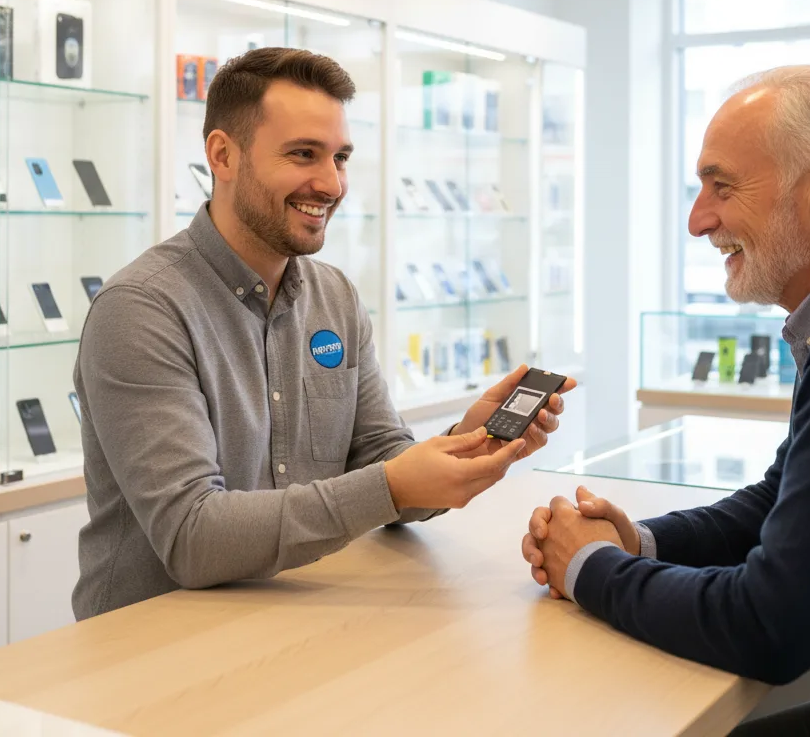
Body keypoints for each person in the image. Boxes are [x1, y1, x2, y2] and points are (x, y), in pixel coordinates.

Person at [521, 66, 810, 736]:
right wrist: (643, 541)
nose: (697, 220)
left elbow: (771, 627)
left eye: (722, 186)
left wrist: (591, 567)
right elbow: (781, 497)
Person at [73, 46, 571, 620]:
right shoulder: (140, 311)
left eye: (341, 158)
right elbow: (193, 537)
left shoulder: (335, 296)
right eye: (304, 154)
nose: (332, 184)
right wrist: (393, 484)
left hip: (297, 620)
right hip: (149, 649)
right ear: (222, 155)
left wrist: (465, 442)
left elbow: (382, 459)